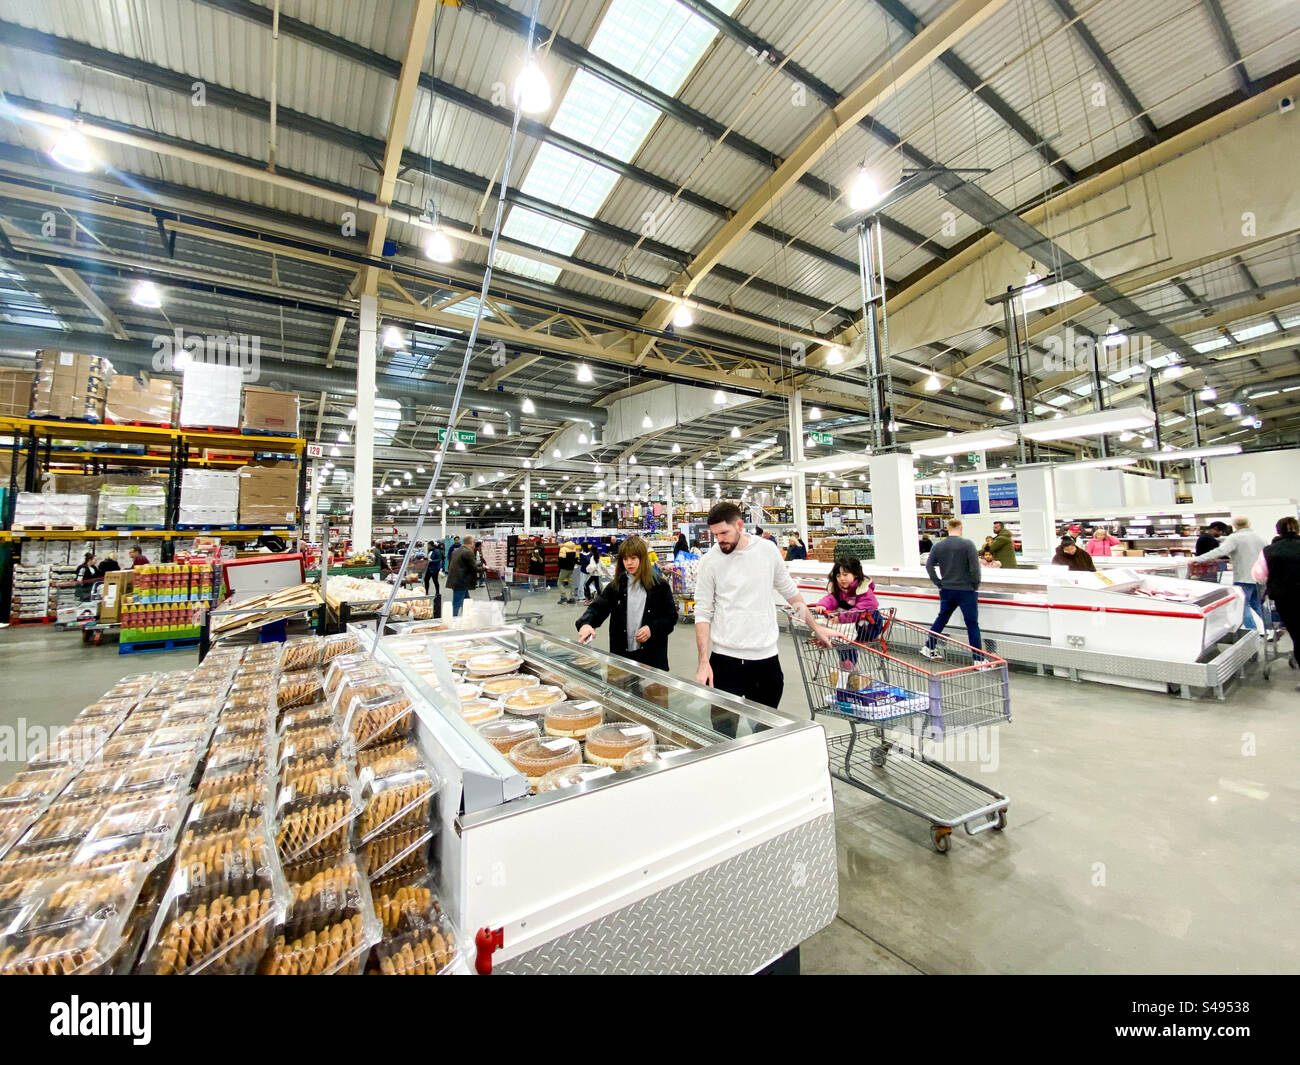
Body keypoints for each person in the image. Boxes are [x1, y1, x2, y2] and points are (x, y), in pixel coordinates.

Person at [693, 501, 831, 710]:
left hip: (765, 659)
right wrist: (704, 661)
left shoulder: (767, 550)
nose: (719, 540)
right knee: (724, 729)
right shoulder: (710, 561)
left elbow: (790, 593)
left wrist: (816, 627)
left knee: (765, 731)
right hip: (725, 660)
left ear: (739, 525)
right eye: (715, 535)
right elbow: (702, 613)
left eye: (724, 533)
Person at [576, 536, 678, 670]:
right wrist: (586, 623)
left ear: (642, 558)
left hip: (652, 659)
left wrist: (652, 629)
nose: (629, 563)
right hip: (621, 658)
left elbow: (671, 618)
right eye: (625, 559)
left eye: (633, 558)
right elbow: (598, 608)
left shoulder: (659, 586)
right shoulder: (617, 585)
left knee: (652, 691)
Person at [922, 518, 984, 660]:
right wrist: (975, 584)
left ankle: (929, 646)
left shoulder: (938, 546)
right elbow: (975, 568)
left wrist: (938, 583)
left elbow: (928, 566)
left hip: (947, 590)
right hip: (966, 590)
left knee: (942, 618)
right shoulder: (968, 544)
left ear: (947, 528)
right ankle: (978, 659)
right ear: (961, 528)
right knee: (972, 624)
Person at [1196, 516, 1267, 630]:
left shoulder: (1235, 538)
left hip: (1243, 577)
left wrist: (1197, 559)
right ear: (1248, 523)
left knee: (1243, 605)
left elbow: (1219, 551)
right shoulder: (1260, 537)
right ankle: (1271, 629)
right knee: (1257, 604)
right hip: (1259, 577)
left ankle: (1252, 630)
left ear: (1235, 525)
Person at [812, 558, 885, 669]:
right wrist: (822, 605)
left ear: (855, 574)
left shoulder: (864, 590)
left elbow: (861, 610)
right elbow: (831, 599)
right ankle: (846, 662)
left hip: (869, 626)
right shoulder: (840, 590)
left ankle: (848, 662)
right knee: (839, 636)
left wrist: (841, 618)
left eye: (845, 575)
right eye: (838, 576)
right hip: (853, 624)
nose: (841, 579)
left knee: (842, 636)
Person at [1262, 516, 1300, 680]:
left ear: (1278, 530)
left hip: (1284, 598)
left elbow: (1259, 575)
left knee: (1296, 634)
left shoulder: (1269, 550)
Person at [446, 535, 479, 616]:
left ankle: (467, 618)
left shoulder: (456, 551)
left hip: (456, 581)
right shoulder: (468, 552)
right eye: (473, 542)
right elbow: (474, 568)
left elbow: (452, 565)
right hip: (461, 582)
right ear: (471, 543)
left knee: (467, 602)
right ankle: (453, 622)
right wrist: (485, 568)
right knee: (456, 604)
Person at [556, 539, 579, 604]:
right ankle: (572, 598)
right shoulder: (574, 548)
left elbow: (561, 560)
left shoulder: (563, 549)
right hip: (571, 568)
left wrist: (559, 567)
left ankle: (563, 597)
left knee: (559, 582)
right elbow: (576, 559)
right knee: (571, 583)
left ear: (565, 542)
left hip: (564, 569)